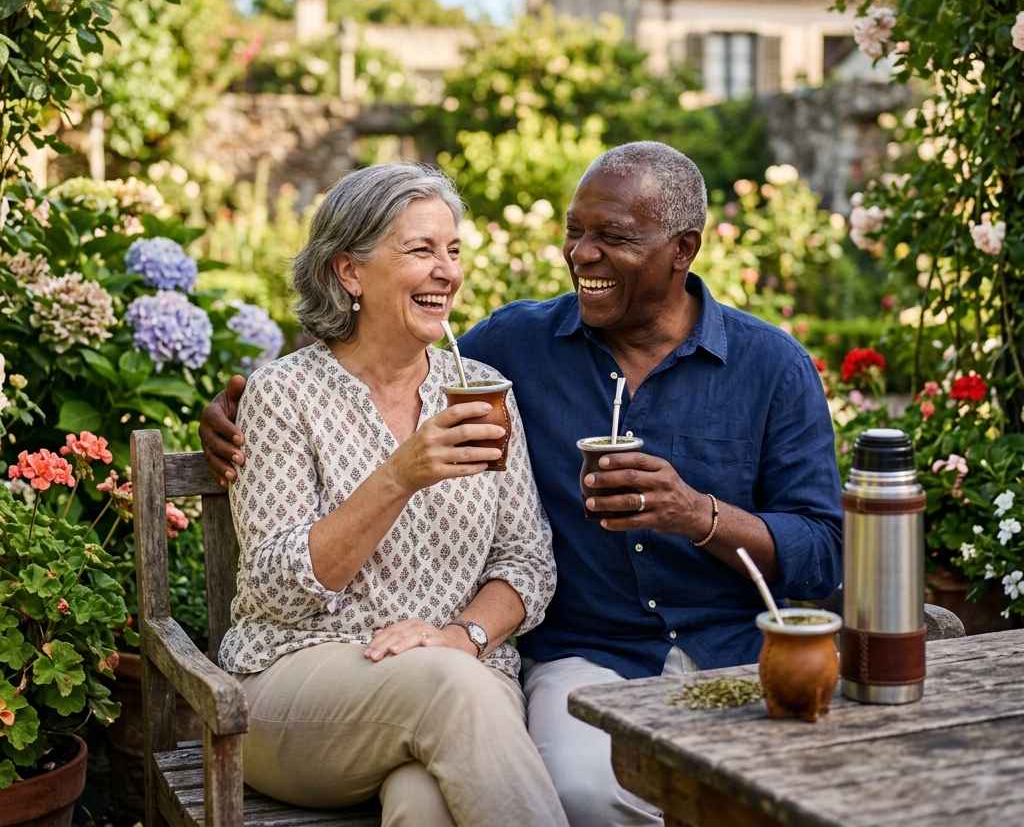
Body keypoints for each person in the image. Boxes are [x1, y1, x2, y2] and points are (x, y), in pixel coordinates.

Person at [201, 142, 842, 827]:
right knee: (574, 784)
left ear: (683, 248)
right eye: (575, 231)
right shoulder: (514, 348)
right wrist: (264, 403)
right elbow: (366, 352)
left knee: (427, 807)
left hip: (730, 654)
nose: (581, 254)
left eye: (612, 237)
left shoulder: (768, 365)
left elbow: (823, 555)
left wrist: (698, 515)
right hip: (558, 660)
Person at [212, 163, 568, 827]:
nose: (448, 271)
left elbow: (527, 564)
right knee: (450, 688)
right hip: (296, 689)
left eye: (453, 251)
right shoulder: (285, 394)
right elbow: (276, 590)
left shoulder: (481, 390)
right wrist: (399, 476)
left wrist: (460, 637)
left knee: (425, 803)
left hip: (454, 681)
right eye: (421, 250)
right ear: (349, 272)